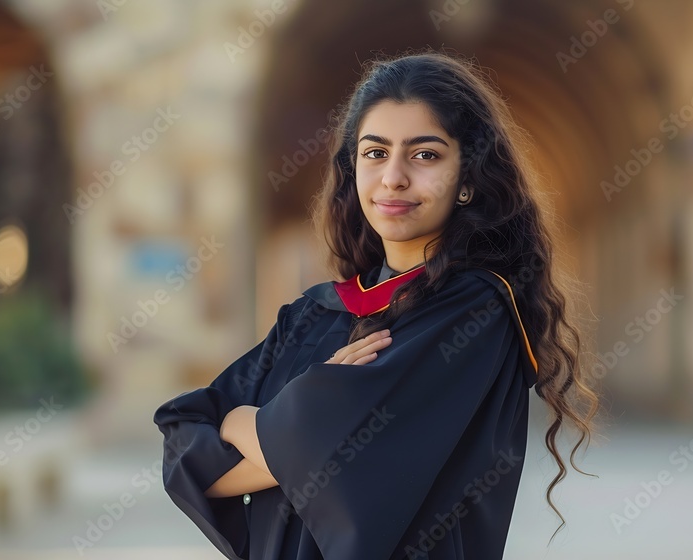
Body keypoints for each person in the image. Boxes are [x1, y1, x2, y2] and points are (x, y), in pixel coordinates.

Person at [153, 49, 599, 560]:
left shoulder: (473, 312)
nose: (394, 178)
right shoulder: (314, 314)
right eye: (375, 152)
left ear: (469, 179)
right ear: (352, 169)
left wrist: (241, 422)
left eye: (425, 154)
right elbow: (183, 437)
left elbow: (339, 463)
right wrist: (296, 417)